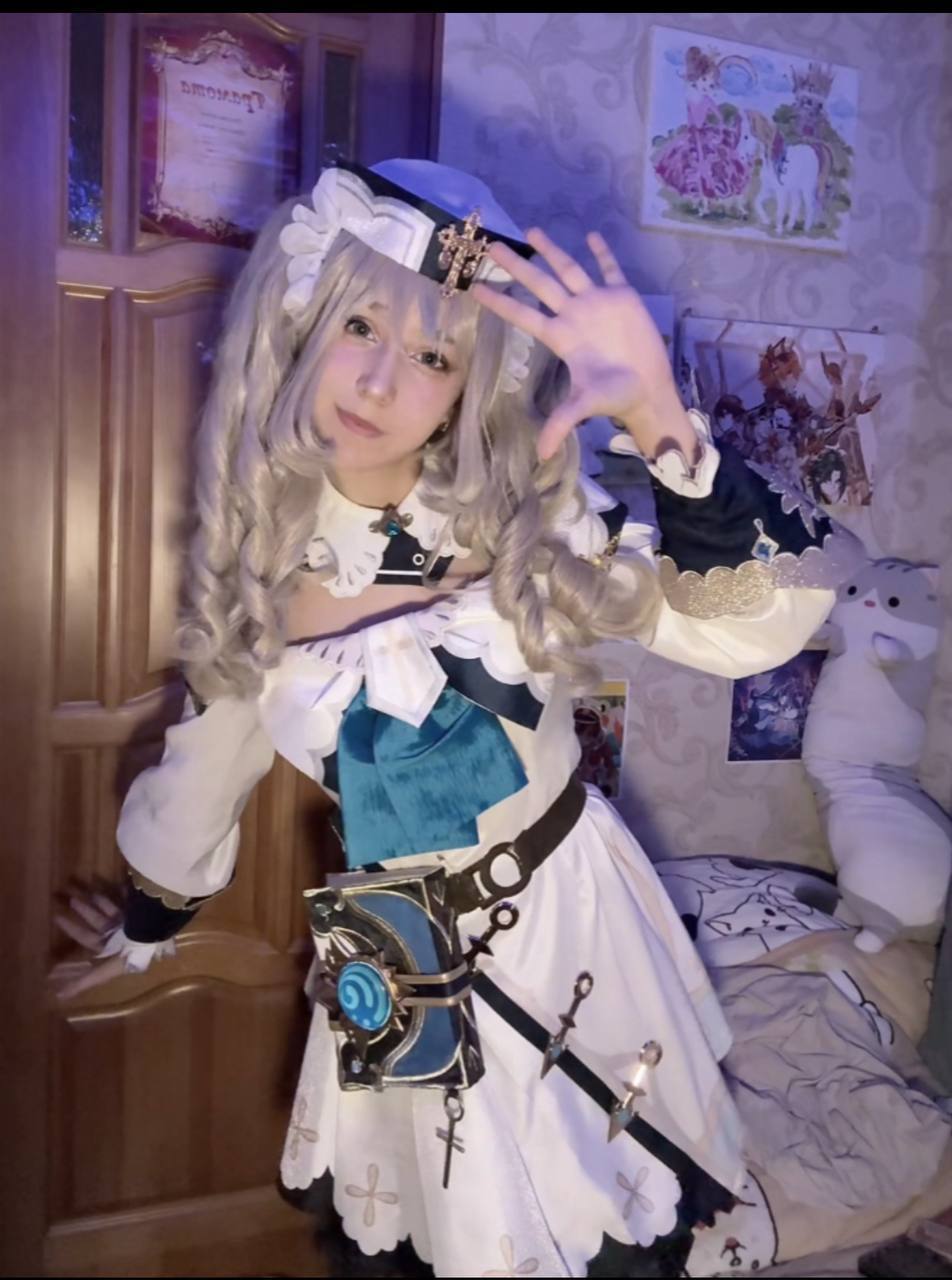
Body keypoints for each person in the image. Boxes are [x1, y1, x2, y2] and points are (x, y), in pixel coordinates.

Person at [56, 158, 862, 1277]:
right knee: (441, 1234)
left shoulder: (530, 515)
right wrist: (148, 919)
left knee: (609, 1222)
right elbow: (208, 764)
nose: (380, 380)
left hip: (572, 928)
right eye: (358, 325)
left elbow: (756, 628)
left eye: (433, 355)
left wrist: (658, 416)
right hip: (395, 953)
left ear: (466, 384)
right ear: (301, 320)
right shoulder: (261, 562)